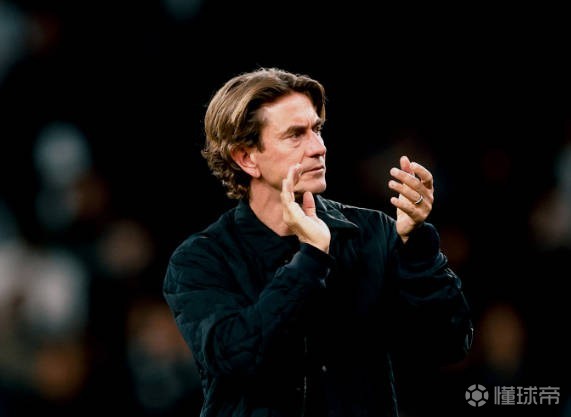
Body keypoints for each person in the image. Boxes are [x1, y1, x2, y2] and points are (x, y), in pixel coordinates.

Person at [163, 67, 473, 417]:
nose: (319, 147)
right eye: (295, 135)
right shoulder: (201, 258)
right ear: (246, 158)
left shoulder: (373, 232)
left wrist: (415, 247)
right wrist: (310, 261)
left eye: (317, 129)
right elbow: (237, 360)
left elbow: (448, 345)